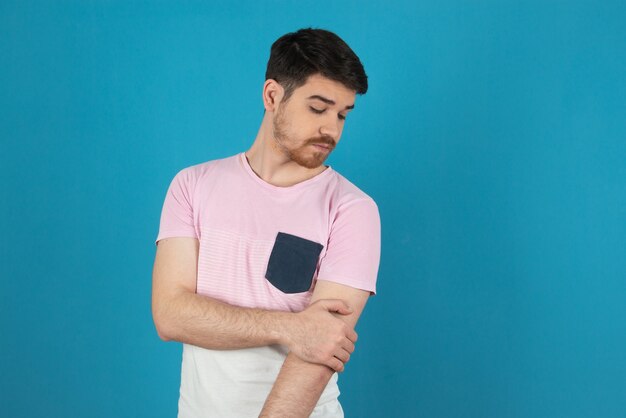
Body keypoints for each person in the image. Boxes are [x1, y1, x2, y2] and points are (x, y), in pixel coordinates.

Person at [152, 28, 381, 418]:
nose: (333, 129)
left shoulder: (352, 209)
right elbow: (170, 315)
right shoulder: (192, 185)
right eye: (318, 108)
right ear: (273, 95)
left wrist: (308, 334)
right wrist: (290, 328)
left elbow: (319, 351)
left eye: (342, 114)